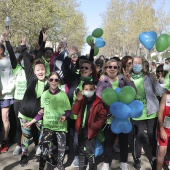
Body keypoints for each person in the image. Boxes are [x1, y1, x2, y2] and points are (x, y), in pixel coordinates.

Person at [23, 72, 71, 170]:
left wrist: (65, 117)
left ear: (59, 81)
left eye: (56, 80)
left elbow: (69, 111)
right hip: (47, 127)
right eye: (51, 79)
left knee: (61, 148)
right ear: (48, 80)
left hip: (61, 127)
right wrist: (31, 122)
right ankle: (42, 166)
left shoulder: (63, 95)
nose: (54, 82)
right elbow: (41, 112)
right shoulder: (44, 95)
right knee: (44, 149)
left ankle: (60, 164)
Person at [96, 59, 136, 170]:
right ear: (106, 69)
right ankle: (106, 162)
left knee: (123, 141)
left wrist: (129, 80)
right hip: (109, 117)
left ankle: (123, 162)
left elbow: (134, 93)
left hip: (123, 117)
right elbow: (98, 97)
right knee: (109, 142)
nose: (112, 69)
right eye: (110, 67)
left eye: (115, 67)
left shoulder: (123, 80)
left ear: (118, 69)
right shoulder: (103, 81)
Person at [18, 36, 49, 167]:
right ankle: (24, 155)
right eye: (38, 70)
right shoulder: (31, 78)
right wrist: (24, 47)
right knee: (25, 136)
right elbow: (27, 60)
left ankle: (43, 154)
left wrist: (43, 43)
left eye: (42, 69)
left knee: (44, 136)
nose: (41, 71)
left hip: (40, 116)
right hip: (25, 113)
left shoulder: (49, 82)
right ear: (34, 72)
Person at [131, 56, 163, 170]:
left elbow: (159, 92)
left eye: (139, 63)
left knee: (151, 135)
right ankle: (137, 159)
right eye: (135, 63)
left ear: (143, 64)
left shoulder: (149, 77)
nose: (137, 65)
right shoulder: (128, 78)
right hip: (136, 112)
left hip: (151, 111)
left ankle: (154, 157)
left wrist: (156, 81)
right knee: (138, 136)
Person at [68, 60, 98, 167]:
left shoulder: (96, 83)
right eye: (82, 68)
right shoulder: (75, 80)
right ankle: (77, 156)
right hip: (75, 115)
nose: (83, 70)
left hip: (89, 117)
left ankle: (89, 159)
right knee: (76, 139)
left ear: (91, 71)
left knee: (89, 140)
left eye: (86, 68)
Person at [72, 81, 107, 170]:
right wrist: (78, 100)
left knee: (90, 152)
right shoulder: (81, 99)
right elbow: (74, 111)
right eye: (86, 89)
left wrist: (95, 126)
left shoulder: (98, 102)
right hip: (80, 130)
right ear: (83, 90)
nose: (89, 91)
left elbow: (102, 117)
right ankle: (81, 168)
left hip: (91, 132)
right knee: (81, 151)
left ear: (95, 89)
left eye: (91, 89)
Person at [0, 40, 15, 153]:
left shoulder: (9, 61)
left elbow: (14, 79)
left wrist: (4, 91)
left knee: (5, 117)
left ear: (1, 50)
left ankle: (5, 141)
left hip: (5, 95)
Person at [157, 89, 170, 170]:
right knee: (161, 153)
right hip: (165, 128)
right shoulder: (166, 95)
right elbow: (160, 112)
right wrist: (161, 129)